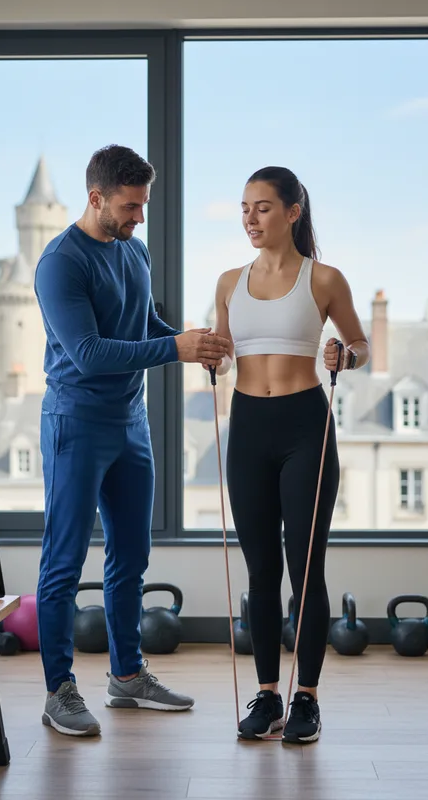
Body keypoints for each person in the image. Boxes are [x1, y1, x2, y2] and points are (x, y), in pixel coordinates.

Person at [33, 144, 231, 737]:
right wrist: (177, 348)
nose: (139, 218)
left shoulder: (133, 250)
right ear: (96, 198)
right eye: (130, 206)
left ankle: (127, 677)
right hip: (76, 421)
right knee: (64, 562)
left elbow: (145, 325)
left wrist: (193, 340)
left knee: (132, 556)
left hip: (131, 424)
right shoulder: (59, 264)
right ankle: (58, 690)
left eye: (143, 205)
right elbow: (90, 355)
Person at [207, 166, 370, 744]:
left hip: (306, 427)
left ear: (294, 211)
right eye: (245, 208)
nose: (251, 218)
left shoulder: (323, 279)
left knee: (305, 569)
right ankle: (268, 695)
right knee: (260, 572)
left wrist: (342, 357)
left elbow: (360, 345)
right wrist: (212, 354)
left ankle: (307, 699)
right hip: (248, 427)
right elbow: (225, 356)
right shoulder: (229, 281)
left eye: (264, 207)